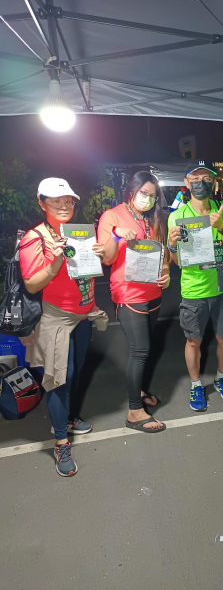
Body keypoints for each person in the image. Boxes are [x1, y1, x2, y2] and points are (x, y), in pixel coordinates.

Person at [19, 178, 107, 477]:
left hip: (82, 315)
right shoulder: (35, 238)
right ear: (42, 203)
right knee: (60, 378)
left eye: (68, 200)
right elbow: (32, 284)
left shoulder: (77, 233)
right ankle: (60, 441)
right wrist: (55, 262)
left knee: (75, 372)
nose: (63, 205)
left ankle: (68, 418)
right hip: (55, 318)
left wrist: (95, 254)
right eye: (55, 201)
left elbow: (84, 271)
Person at [98, 171, 169, 434]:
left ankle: (138, 390)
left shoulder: (152, 218)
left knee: (147, 349)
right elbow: (106, 258)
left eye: (152, 196)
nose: (147, 199)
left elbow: (162, 254)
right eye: (143, 193)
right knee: (140, 350)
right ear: (132, 190)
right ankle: (134, 411)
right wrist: (116, 235)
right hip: (128, 294)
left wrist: (166, 274)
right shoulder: (112, 216)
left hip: (153, 293)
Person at [167, 160, 223, 411]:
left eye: (206, 178)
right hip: (194, 290)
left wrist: (222, 227)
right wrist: (172, 245)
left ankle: (221, 378)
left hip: (222, 287)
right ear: (186, 183)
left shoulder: (221, 209)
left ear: (213, 182)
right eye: (195, 178)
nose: (201, 183)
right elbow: (177, 261)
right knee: (193, 342)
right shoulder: (177, 216)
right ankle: (196, 385)